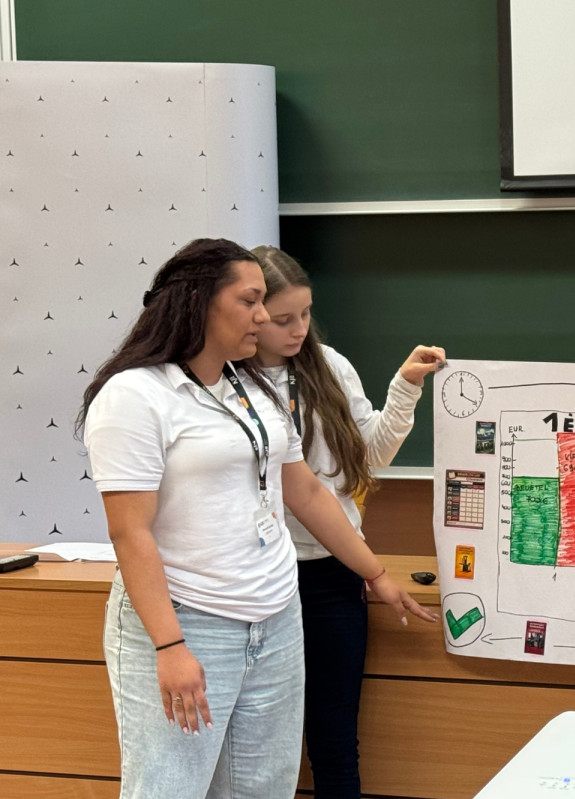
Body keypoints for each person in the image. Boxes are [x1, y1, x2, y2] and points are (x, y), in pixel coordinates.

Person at [77, 238, 436, 799]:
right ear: (199, 303)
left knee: (264, 788)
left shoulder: (251, 388)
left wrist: (375, 573)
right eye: (250, 302)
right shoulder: (136, 395)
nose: (264, 317)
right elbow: (130, 531)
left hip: (276, 617)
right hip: (191, 619)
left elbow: (306, 492)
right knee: (171, 788)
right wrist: (169, 646)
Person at [251, 244, 444, 798]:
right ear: (251, 315)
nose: (298, 329)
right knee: (258, 744)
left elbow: (371, 455)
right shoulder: (225, 381)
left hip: (334, 574)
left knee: (334, 741)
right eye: (283, 319)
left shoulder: (329, 365)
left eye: (306, 313)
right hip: (259, 578)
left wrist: (405, 387)